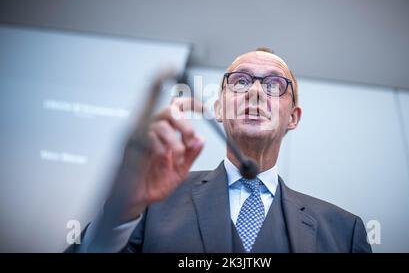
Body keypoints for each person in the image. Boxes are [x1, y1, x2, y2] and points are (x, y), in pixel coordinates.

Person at [72, 48, 372, 253]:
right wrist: (122, 207)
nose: (254, 91)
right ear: (218, 108)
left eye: (273, 84)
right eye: (240, 81)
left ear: (293, 117)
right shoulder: (150, 203)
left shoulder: (345, 232)